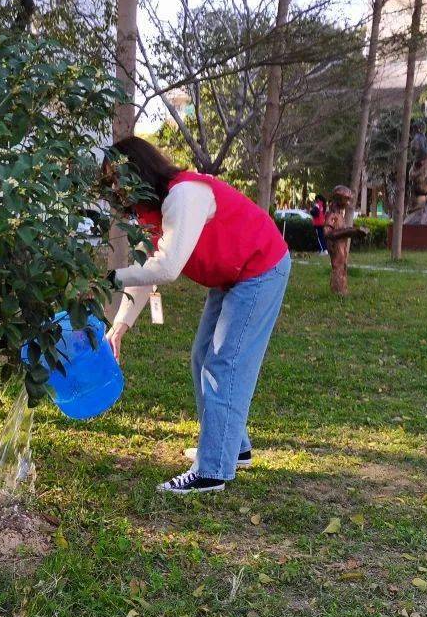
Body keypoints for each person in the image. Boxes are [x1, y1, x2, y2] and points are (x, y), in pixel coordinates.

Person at [104, 137, 291, 495]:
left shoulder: (183, 195)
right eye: (111, 182)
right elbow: (148, 267)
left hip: (260, 266)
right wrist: (120, 325)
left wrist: (110, 278)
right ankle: (231, 447)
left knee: (224, 364)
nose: (116, 189)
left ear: (138, 169)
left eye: (118, 178)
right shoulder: (153, 211)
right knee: (201, 358)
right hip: (232, 274)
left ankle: (211, 470)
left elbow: (167, 267)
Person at [323, 185, 369, 296]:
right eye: (346, 199)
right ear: (338, 198)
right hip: (335, 247)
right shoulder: (332, 215)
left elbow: (341, 231)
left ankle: (341, 289)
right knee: (338, 266)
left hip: (341, 247)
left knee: (342, 266)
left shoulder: (339, 215)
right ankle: (338, 291)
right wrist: (348, 232)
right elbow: (327, 233)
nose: (348, 203)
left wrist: (355, 233)